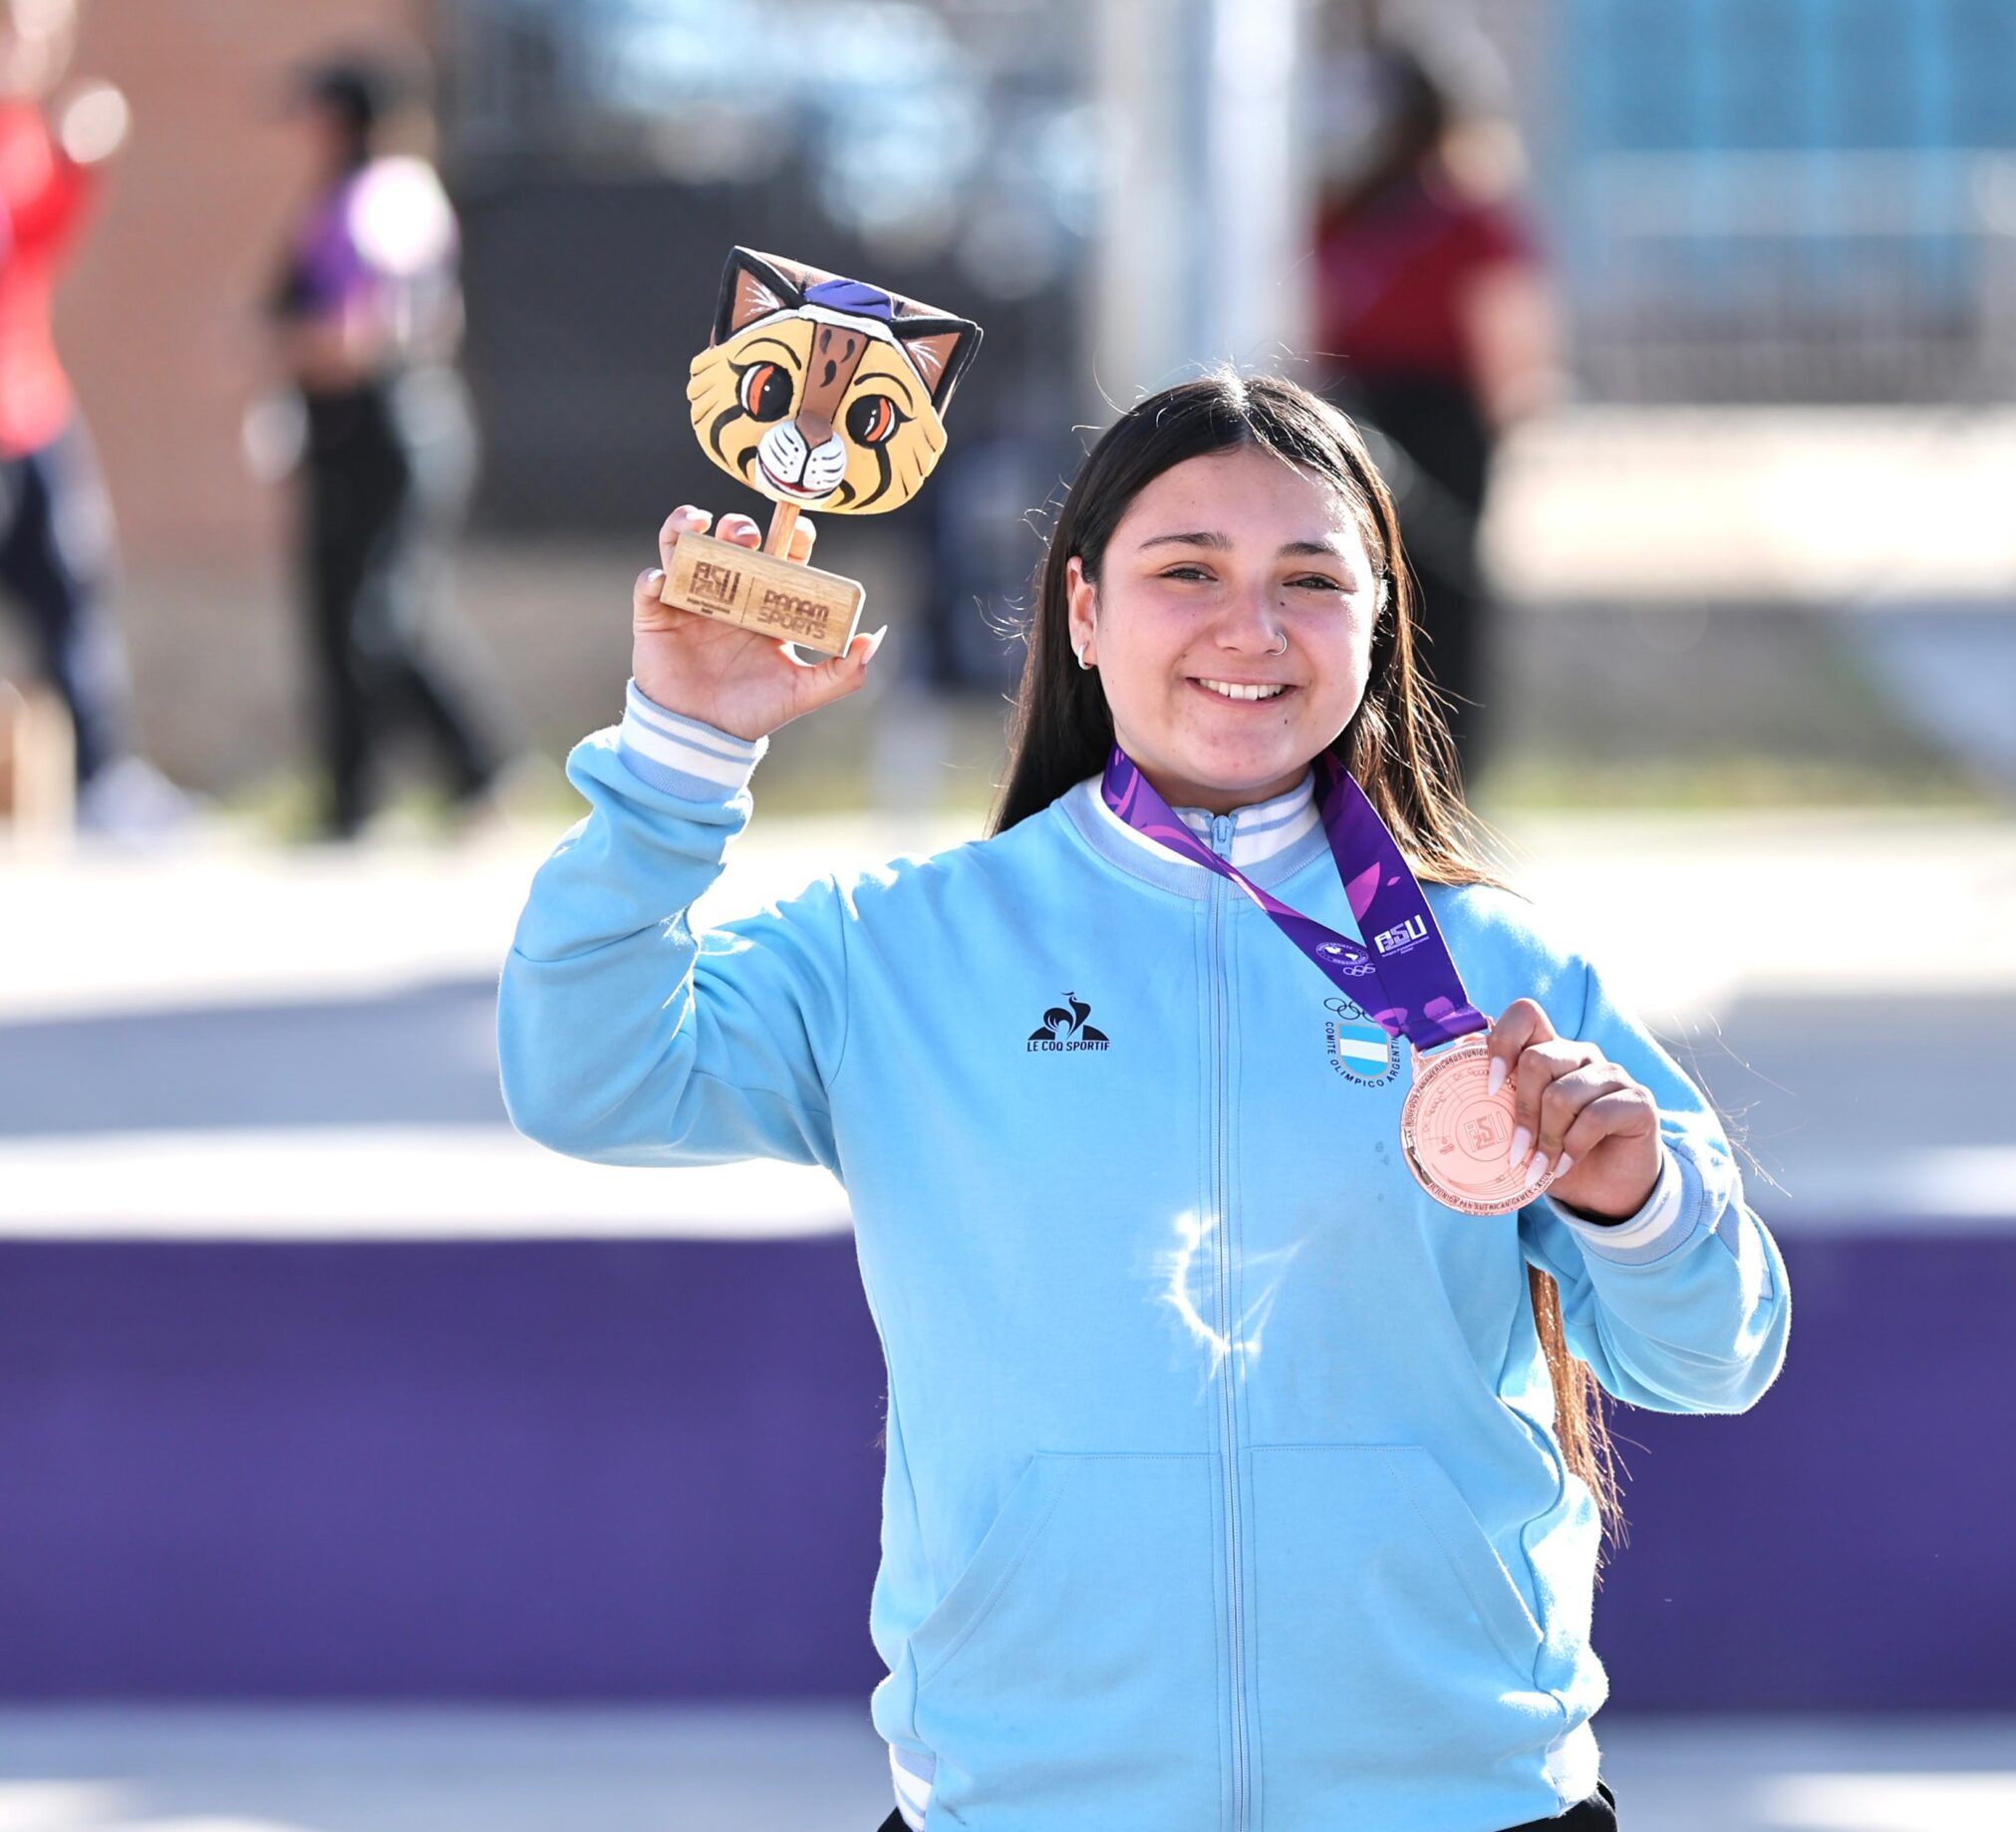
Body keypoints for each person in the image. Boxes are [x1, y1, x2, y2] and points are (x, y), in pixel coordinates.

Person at [499, 374, 1789, 1830]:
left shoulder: (1498, 972)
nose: (1252, 626)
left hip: (1461, 1798)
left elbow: (1714, 1356)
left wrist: (1641, 1203)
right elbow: (584, 1072)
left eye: (1310, 579)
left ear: (1376, 621)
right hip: (1031, 1797)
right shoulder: (903, 949)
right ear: (1083, 611)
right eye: (1188, 572)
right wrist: (681, 755)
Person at [1313, 30, 1563, 785]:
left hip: (1411, 422)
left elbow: (1506, 345)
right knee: (1403, 603)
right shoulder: (1356, 212)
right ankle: (1406, 772)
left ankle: (1425, 776)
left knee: (1417, 603)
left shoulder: (1447, 215)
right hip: (1386, 420)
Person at [272, 55, 508, 839]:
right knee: (356, 618)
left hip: (377, 431)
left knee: (371, 620)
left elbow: (354, 338)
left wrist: (265, 343)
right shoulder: (409, 194)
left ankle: (479, 767)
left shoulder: (362, 203)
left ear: (340, 118)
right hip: (403, 426)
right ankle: (357, 799)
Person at [0, 0, 184, 833]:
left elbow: (33, 255)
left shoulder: (26, 133)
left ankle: (103, 781)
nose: (31, 53)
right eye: (17, 33)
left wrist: (77, 171)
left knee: (72, 592)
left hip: (33, 410)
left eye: (42, 38)